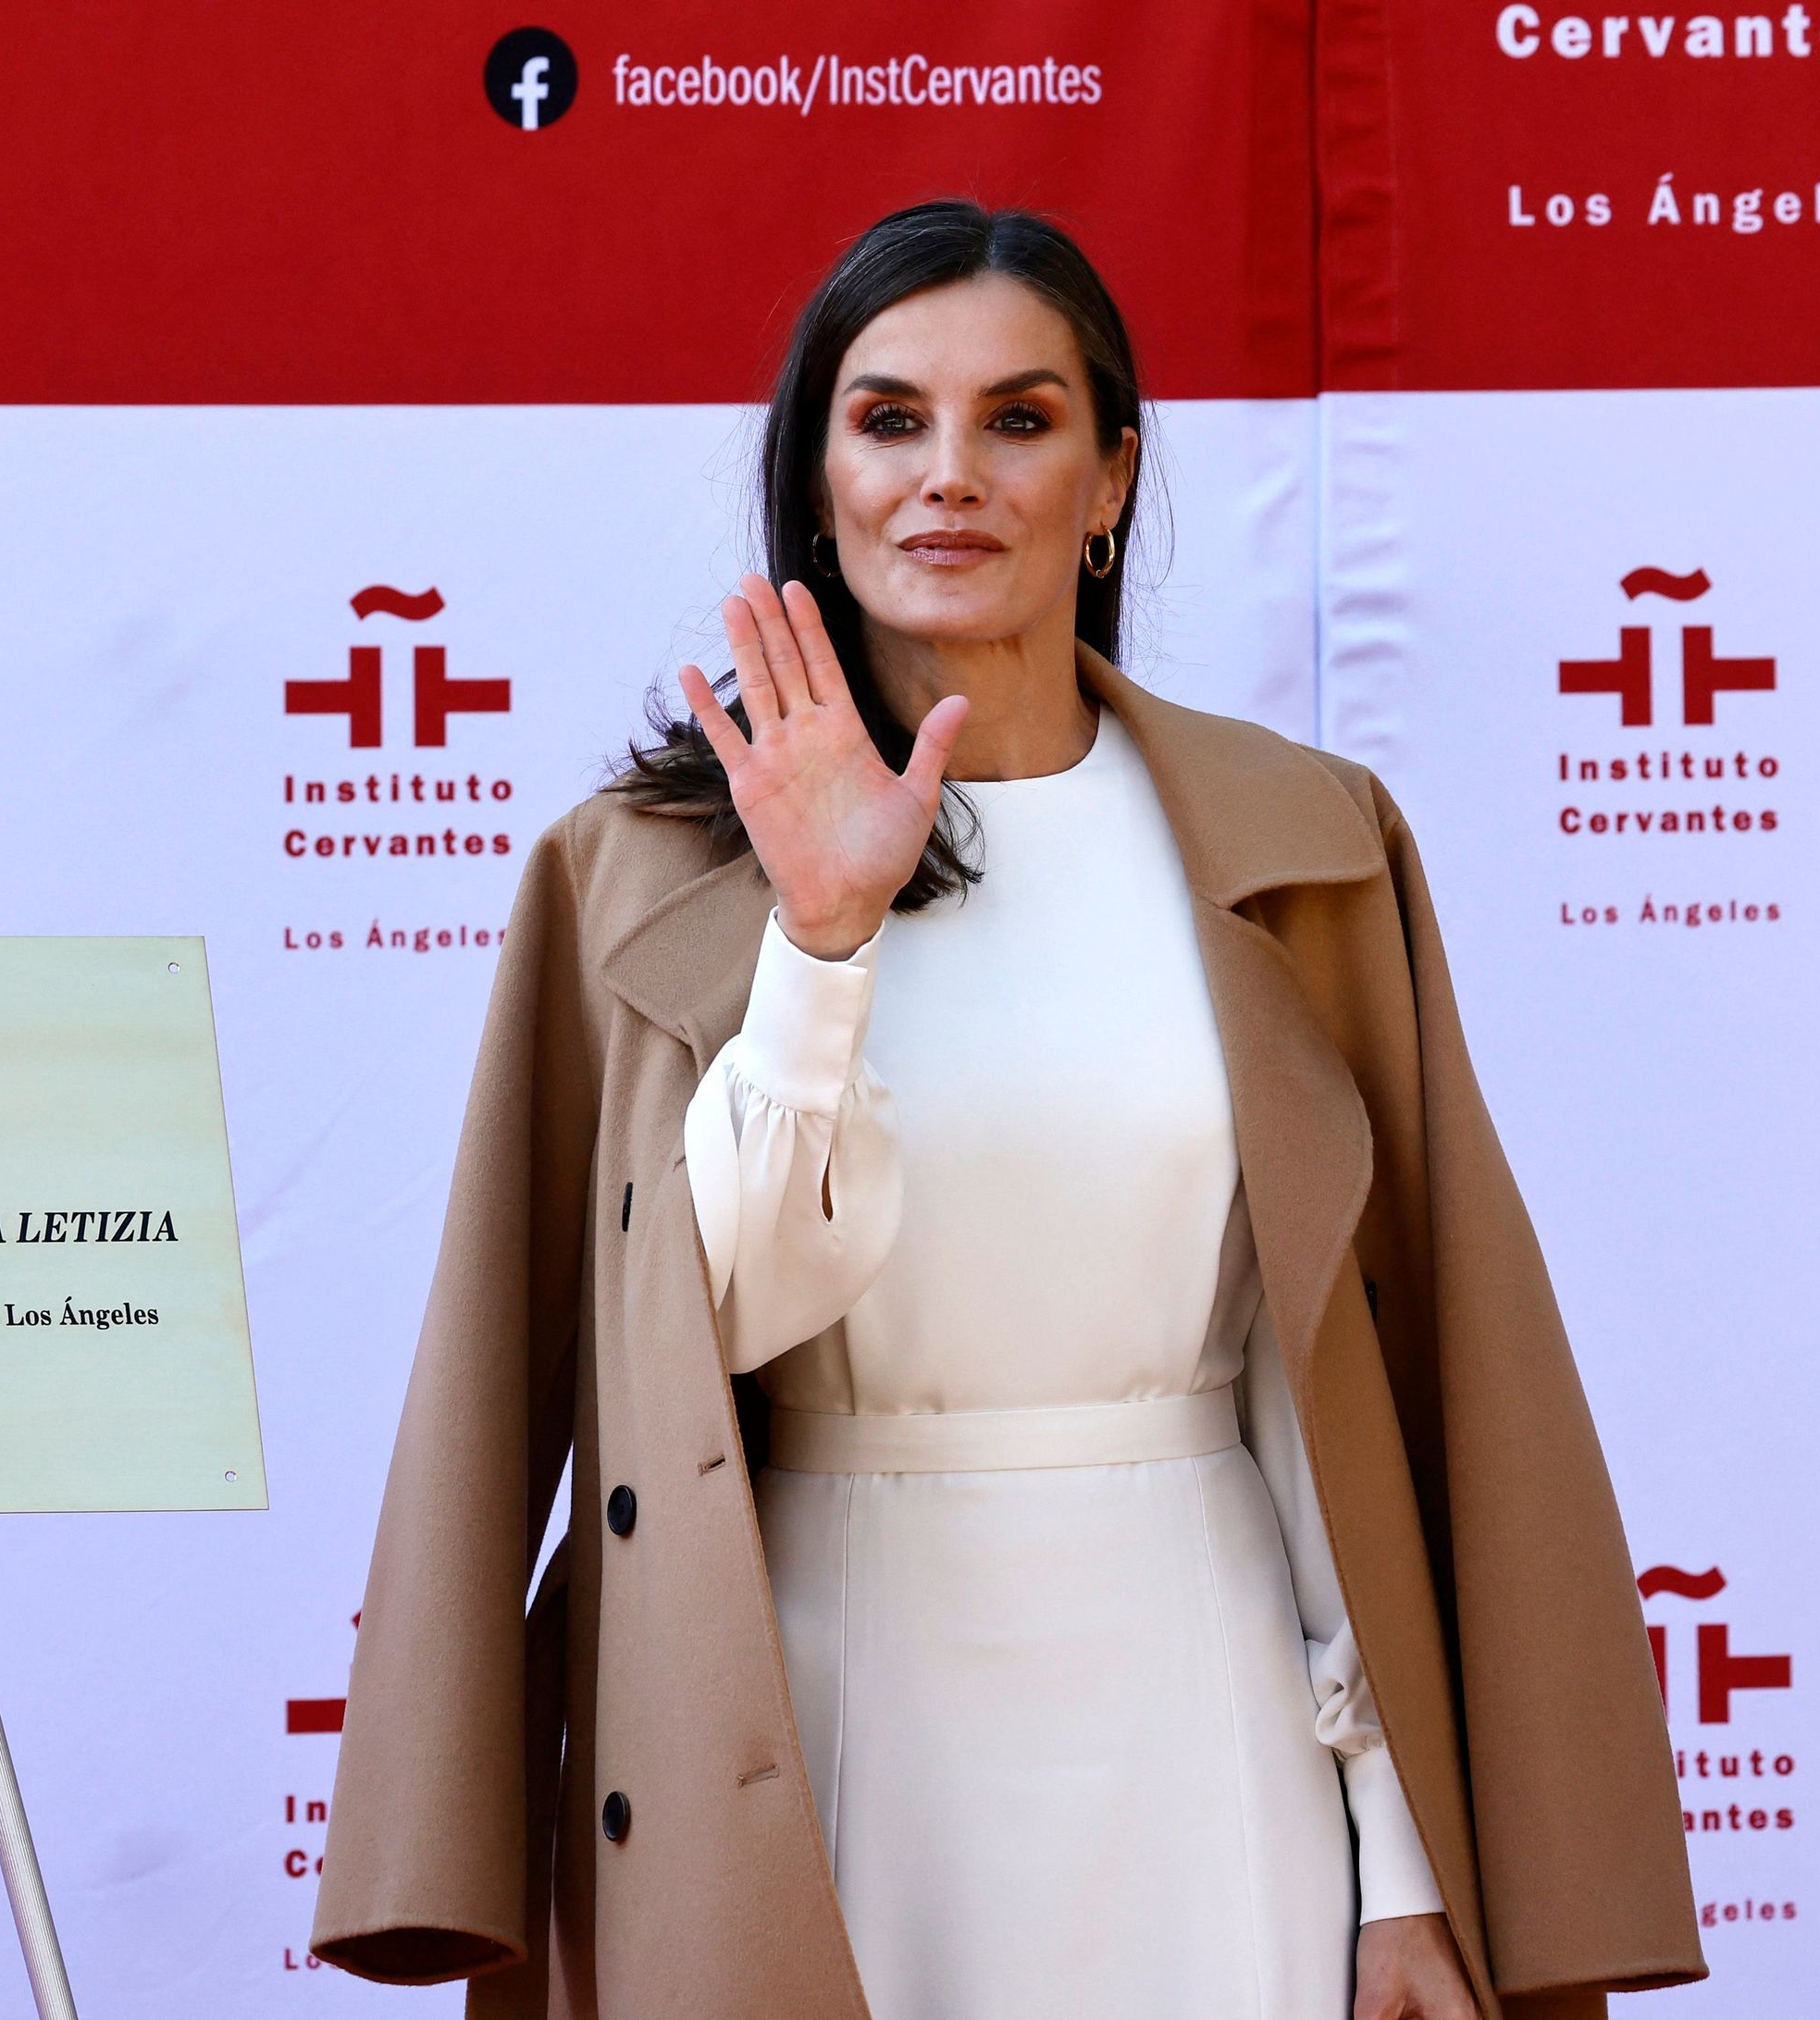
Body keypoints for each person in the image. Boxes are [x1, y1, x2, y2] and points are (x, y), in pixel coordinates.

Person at [310, 201, 1702, 2020]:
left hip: (1210, 1734)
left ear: (1115, 477)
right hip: (808, 1731)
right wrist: (819, 937)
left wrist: (1405, 1867)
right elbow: (709, 1325)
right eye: (889, 419)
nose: (949, 475)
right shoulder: (631, 877)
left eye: (1021, 419)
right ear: (814, 479)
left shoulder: (1306, 843)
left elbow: (1337, 1395)